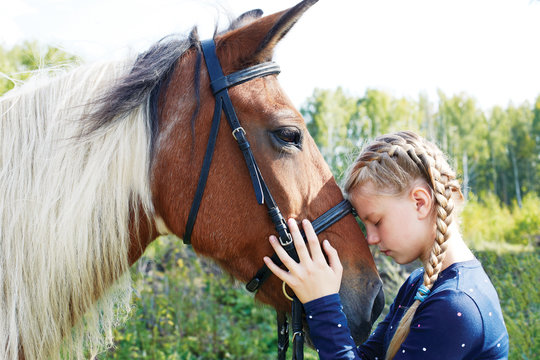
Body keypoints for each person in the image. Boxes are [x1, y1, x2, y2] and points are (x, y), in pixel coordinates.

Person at [263, 131, 509, 359]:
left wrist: (323, 304)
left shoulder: (456, 305)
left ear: (420, 202)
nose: (370, 239)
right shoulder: (418, 284)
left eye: (377, 221)